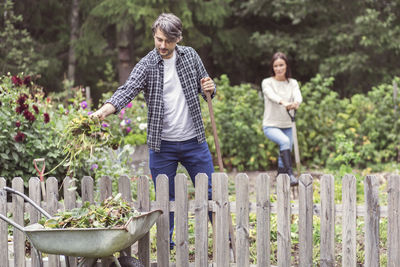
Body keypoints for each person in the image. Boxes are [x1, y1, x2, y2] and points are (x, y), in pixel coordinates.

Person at [91, 13, 215, 249]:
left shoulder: (190, 56)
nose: (162, 45)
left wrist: (211, 87)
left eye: (168, 41)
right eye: (159, 39)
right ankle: (166, 246)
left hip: (194, 141)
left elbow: (205, 86)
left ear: (178, 38)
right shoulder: (148, 63)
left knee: (210, 191)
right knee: (164, 199)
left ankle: (223, 238)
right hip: (162, 146)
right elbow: (127, 90)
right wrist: (101, 113)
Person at [261, 52, 302, 186]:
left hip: (288, 124)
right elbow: (271, 95)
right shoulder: (267, 82)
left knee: (285, 150)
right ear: (272, 67)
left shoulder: (292, 83)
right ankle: (290, 175)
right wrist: (283, 102)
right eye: (276, 66)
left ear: (286, 66)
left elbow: (298, 96)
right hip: (270, 125)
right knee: (284, 142)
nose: (279, 68)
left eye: (281, 65)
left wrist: (296, 103)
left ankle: (281, 177)